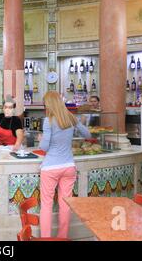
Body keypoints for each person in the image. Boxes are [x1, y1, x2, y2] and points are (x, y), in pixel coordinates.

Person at [39, 91, 91, 238]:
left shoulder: (48, 121)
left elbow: (44, 147)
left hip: (50, 168)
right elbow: (87, 135)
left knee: (47, 205)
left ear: (49, 104)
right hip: (69, 166)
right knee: (65, 204)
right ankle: (63, 237)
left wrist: (41, 137)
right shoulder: (71, 118)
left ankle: (46, 239)